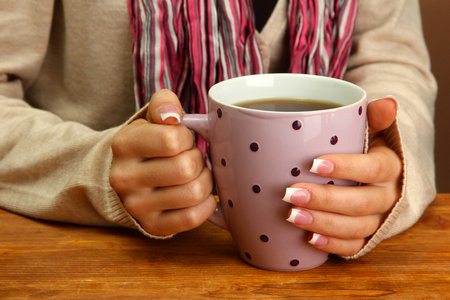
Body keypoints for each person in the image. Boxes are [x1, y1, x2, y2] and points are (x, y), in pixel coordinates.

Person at [0, 0, 436, 260]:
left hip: (331, 266)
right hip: (107, 261)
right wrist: (96, 168)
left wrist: (391, 161)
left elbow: (390, 59)